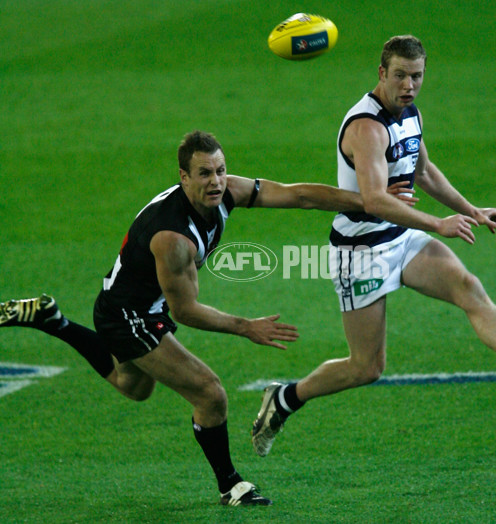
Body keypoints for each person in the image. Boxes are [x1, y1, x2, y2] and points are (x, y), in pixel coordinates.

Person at [0, 130, 411, 506]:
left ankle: (52, 320)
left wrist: (370, 201)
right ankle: (230, 485)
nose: (215, 181)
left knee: (131, 385)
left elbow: (297, 195)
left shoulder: (225, 192)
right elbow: (186, 309)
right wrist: (245, 326)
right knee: (210, 393)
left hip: (140, 306)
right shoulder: (172, 237)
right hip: (128, 316)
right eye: (203, 174)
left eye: (220, 170)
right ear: (183, 176)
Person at [251, 35, 496, 458]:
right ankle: (285, 399)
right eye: (400, 75)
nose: (409, 85)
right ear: (382, 73)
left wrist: (471, 209)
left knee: (468, 287)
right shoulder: (366, 127)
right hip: (361, 251)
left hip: (400, 237)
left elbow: (424, 172)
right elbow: (373, 200)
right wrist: (438, 223)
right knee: (366, 367)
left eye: (417, 76)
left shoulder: (409, 113)